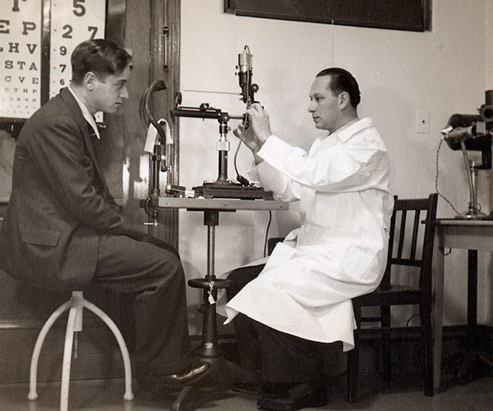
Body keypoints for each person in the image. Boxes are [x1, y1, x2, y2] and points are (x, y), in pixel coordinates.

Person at [0, 38, 209, 393]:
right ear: (92, 81)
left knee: (164, 255)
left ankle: (160, 362)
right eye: (121, 84)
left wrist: (133, 234)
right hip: (53, 248)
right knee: (163, 265)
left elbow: (88, 198)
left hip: (64, 237)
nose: (125, 95)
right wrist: (134, 233)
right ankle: (162, 371)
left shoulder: (70, 117)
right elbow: (83, 201)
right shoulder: (58, 123)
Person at [224, 67, 393, 410]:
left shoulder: (368, 147)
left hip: (351, 256)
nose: (311, 107)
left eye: (318, 98)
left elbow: (314, 175)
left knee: (270, 288)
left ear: (342, 99)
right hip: (317, 251)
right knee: (241, 280)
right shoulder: (325, 145)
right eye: (310, 100)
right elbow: (295, 188)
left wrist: (270, 138)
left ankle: (305, 383)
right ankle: (268, 376)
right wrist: (259, 149)